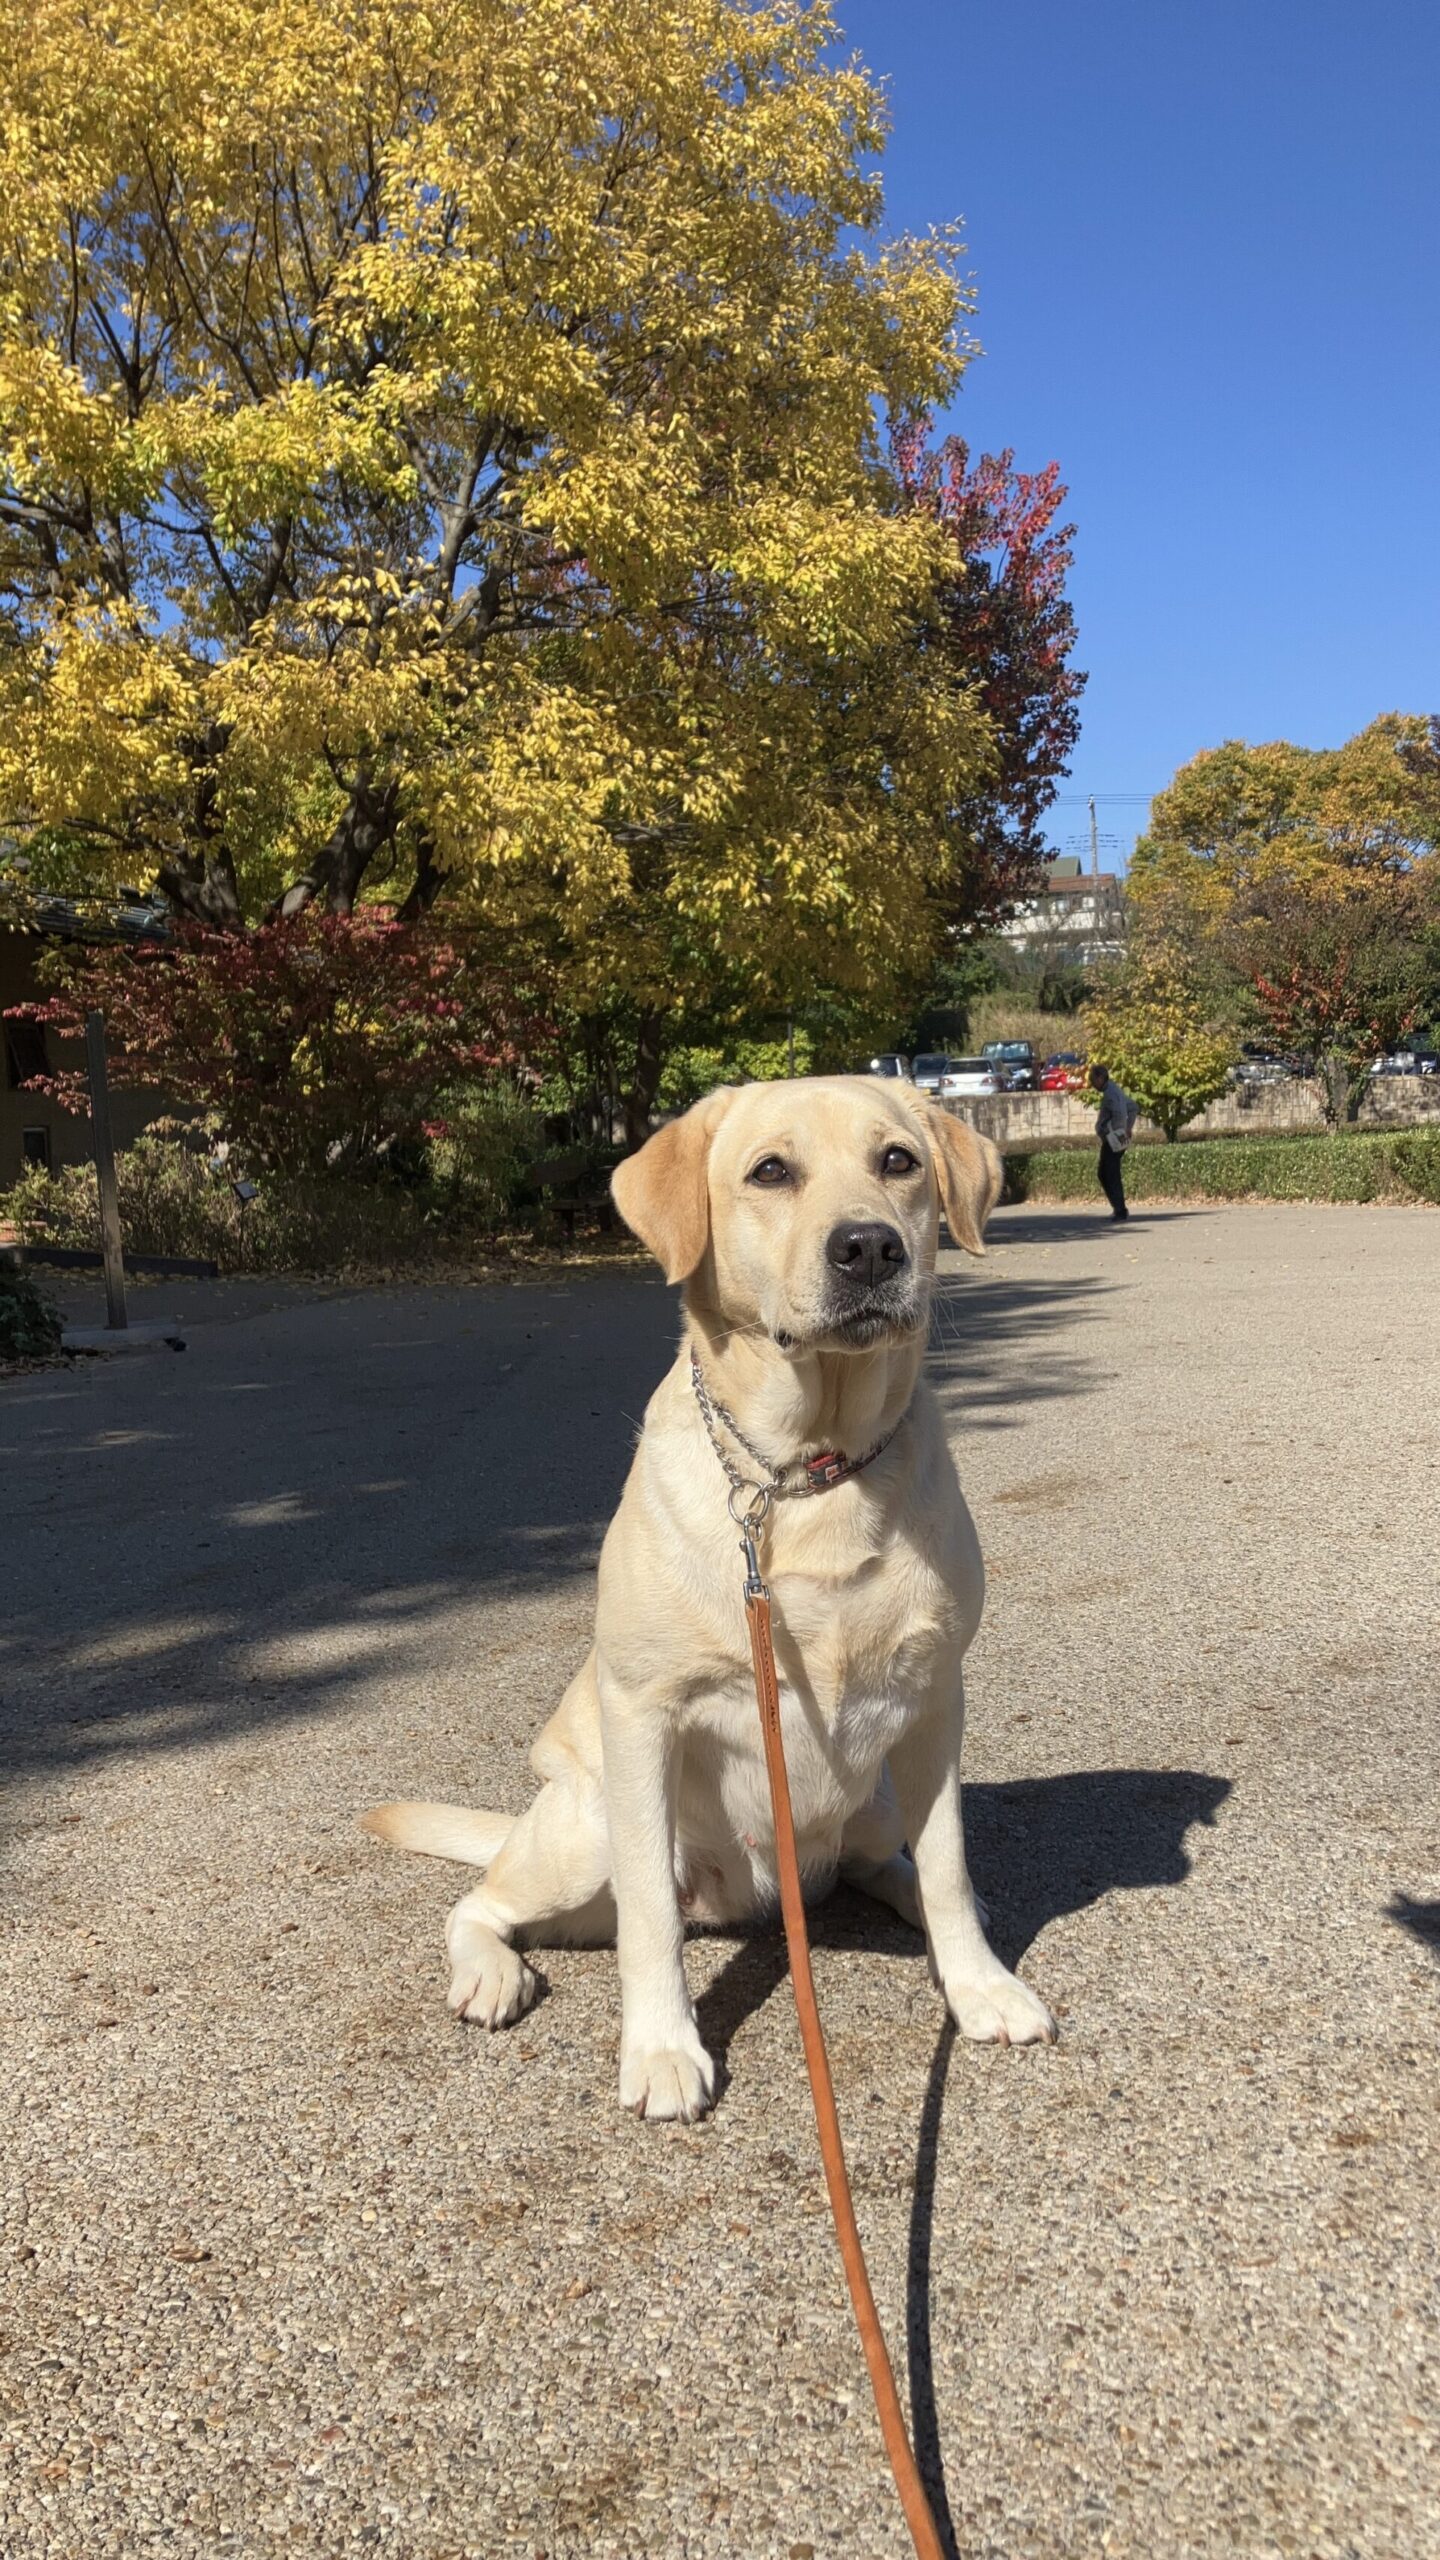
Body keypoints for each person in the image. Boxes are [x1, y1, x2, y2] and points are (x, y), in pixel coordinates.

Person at [1089, 1061, 1137, 1220]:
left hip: (1113, 1139)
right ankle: (1118, 1207)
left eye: (1093, 1080)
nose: (1092, 1084)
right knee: (1108, 1172)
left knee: (1108, 1173)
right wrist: (1128, 1127)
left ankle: (1120, 1209)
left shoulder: (1110, 1094)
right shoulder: (1116, 1090)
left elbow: (1118, 1113)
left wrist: (1113, 1130)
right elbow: (1133, 1107)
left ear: (1101, 1077)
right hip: (1119, 1136)